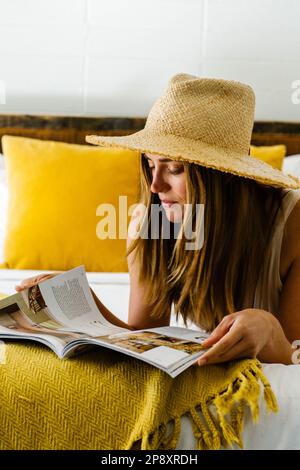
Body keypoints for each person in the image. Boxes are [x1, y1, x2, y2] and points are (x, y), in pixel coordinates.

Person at [16, 73, 300, 367]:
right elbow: (146, 338)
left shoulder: (292, 222)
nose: (155, 186)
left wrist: (269, 332)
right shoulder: (151, 221)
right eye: (150, 165)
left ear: (223, 177)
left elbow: (294, 358)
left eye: (175, 168)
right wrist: (87, 304)